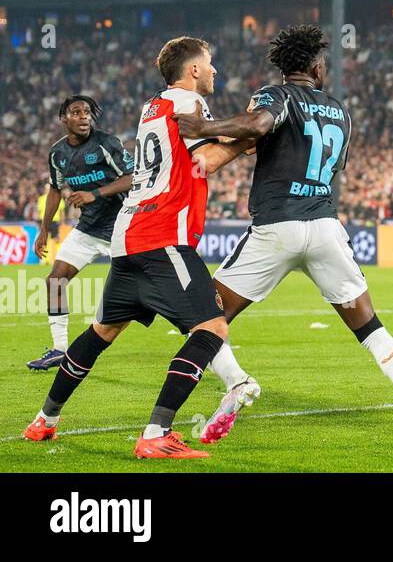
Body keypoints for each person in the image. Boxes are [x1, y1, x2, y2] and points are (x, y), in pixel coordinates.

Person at [173, 25, 393, 447]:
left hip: (277, 228)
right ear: (314, 65)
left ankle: (237, 382)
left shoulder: (275, 95)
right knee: (373, 332)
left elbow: (257, 126)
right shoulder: (340, 110)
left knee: (204, 318)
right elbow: (325, 161)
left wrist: (204, 128)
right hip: (326, 229)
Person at [22, 37, 255, 458]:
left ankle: (44, 421)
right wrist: (255, 134)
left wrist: (241, 140)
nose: (215, 70)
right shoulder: (190, 103)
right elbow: (209, 159)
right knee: (213, 328)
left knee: (101, 332)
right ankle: (155, 433)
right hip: (162, 234)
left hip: (127, 235)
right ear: (194, 70)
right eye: (210, 63)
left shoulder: (152, 106)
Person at [27, 96, 135, 371]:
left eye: (87, 112)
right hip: (87, 229)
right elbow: (55, 189)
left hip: (121, 228)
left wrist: (94, 194)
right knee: (55, 281)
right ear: (64, 118)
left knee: (152, 290)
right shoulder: (57, 153)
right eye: (77, 112)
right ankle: (60, 349)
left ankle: (198, 336)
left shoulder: (106, 143)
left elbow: (132, 177)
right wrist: (43, 230)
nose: (84, 117)